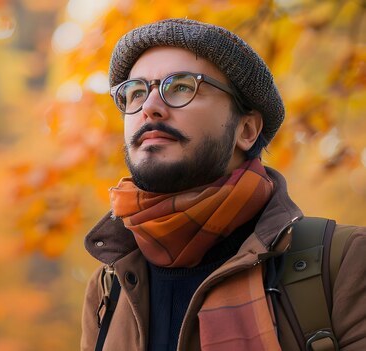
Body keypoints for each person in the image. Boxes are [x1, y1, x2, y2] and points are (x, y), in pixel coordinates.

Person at [80, 18, 366, 351]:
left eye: (182, 87)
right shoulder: (107, 288)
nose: (150, 108)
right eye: (135, 92)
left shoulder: (345, 262)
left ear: (246, 130)